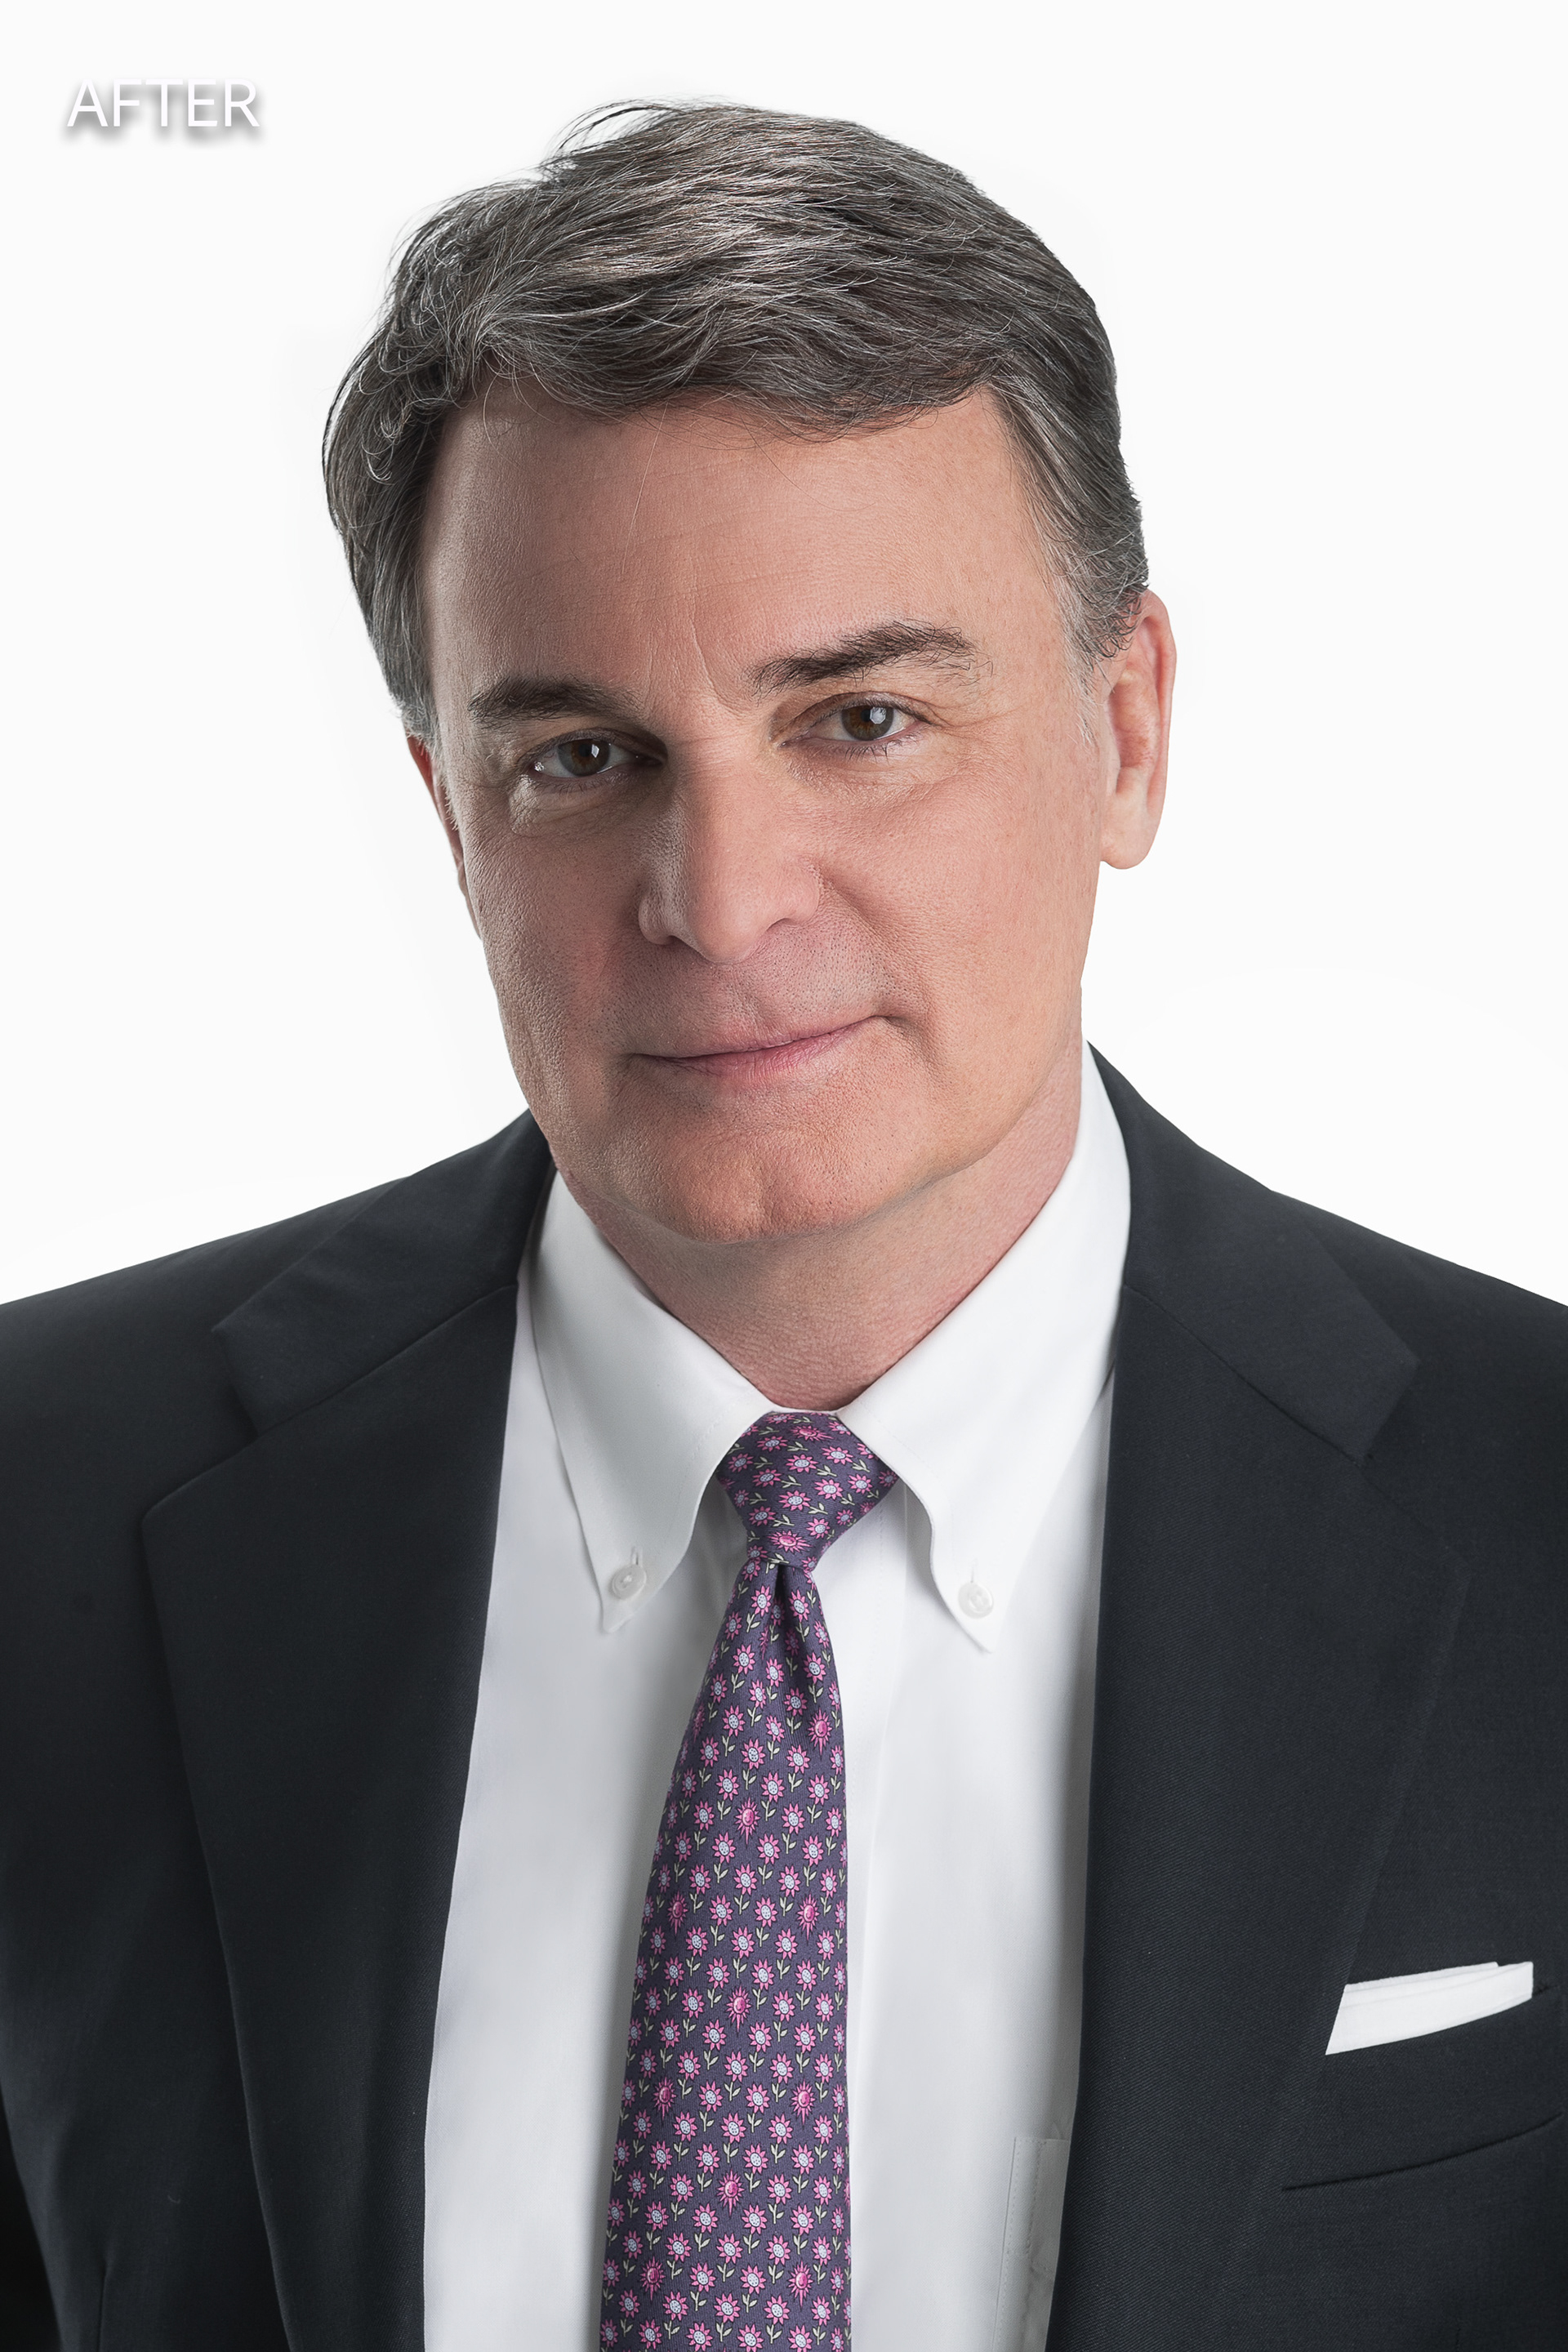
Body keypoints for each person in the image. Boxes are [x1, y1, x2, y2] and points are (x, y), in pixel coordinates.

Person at [1, 100, 1564, 2352]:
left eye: (862, 717)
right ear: (449, 811)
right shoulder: (43, 1508)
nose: (722, 906)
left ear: (1126, 731)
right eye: (581, 757)